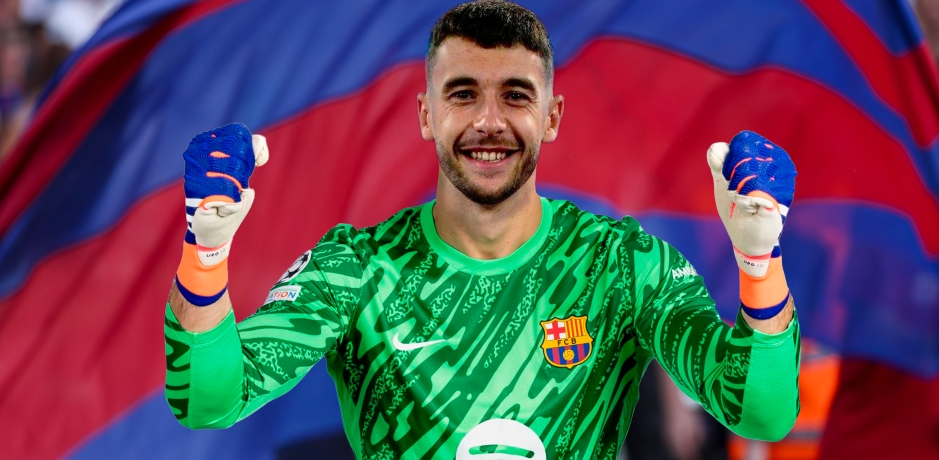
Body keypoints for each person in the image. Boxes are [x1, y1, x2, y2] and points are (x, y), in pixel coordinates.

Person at [164, 1, 801, 458]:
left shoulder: (623, 264)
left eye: (516, 95)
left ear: (552, 117)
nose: (489, 121)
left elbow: (762, 414)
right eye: (463, 93)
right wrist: (206, 251)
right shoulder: (355, 268)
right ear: (427, 114)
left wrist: (759, 263)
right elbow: (209, 401)